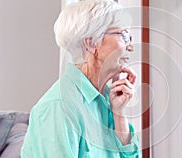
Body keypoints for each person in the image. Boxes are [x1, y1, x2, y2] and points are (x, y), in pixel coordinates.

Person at [21, 0, 140, 157]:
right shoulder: (59, 107)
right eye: (123, 35)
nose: (130, 46)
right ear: (91, 43)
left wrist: (119, 113)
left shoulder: (106, 98)